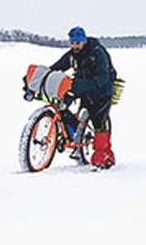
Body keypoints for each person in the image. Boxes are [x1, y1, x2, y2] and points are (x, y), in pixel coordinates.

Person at [50, 26, 117, 169]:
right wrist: (45, 76)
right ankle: (76, 134)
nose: (75, 46)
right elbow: (58, 66)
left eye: (78, 43)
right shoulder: (73, 55)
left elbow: (103, 78)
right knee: (62, 104)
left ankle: (104, 158)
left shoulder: (98, 53)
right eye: (72, 43)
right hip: (83, 86)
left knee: (99, 122)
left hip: (102, 91)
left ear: (84, 41)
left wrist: (79, 85)